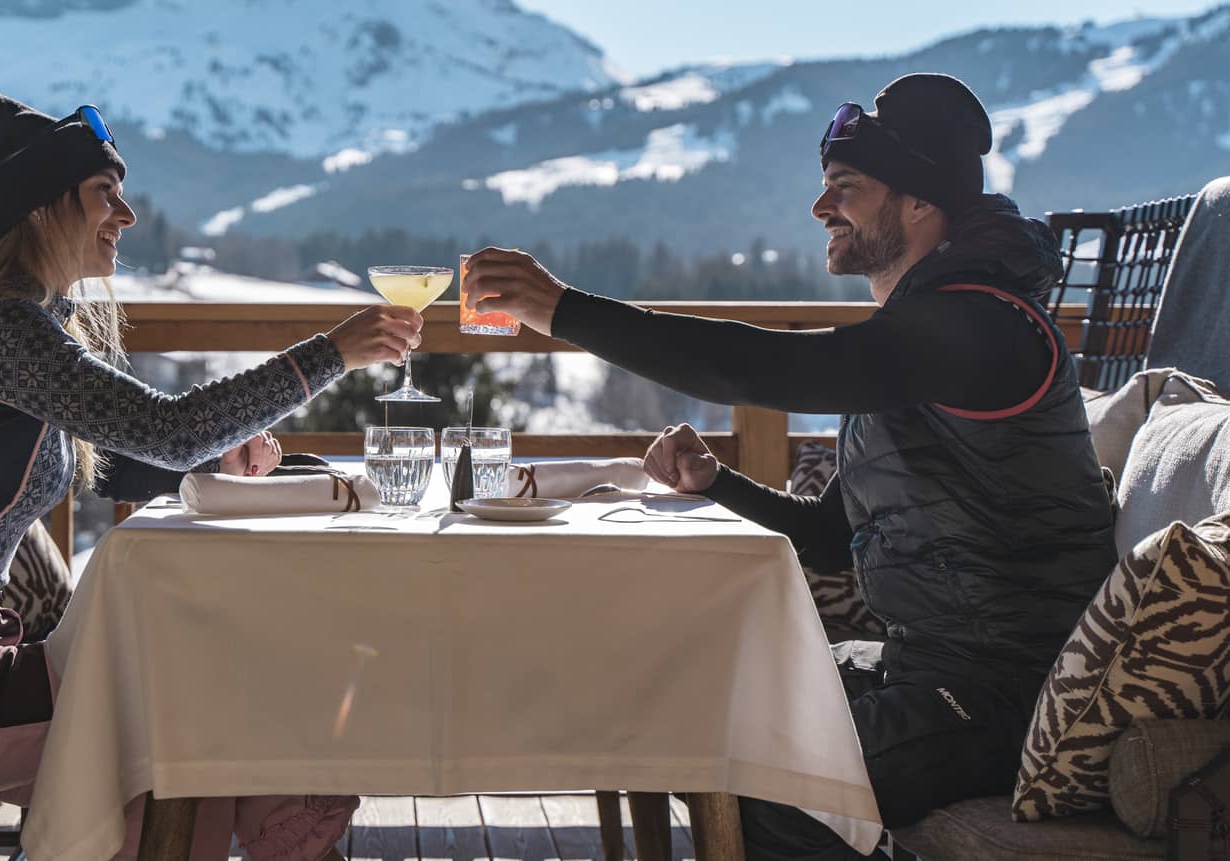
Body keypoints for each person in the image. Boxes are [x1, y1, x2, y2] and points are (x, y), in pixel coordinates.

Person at [463, 72, 1117, 858]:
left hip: (1005, 693)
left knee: (763, 776)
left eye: (845, 186)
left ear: (918, 202)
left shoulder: (982, 329)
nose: (819, 208)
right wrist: (718, 483)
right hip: (925, 667)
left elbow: (763, 369)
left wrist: (563, 310)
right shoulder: (918, 340)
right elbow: (833, 535)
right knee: (688, 695)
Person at [0, 92, 423, 861]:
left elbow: (132, 449)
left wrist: (216, 456)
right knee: (192, 720)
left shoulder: (19, 321)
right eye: (103, 193)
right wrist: (328, 355)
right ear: (44, 208)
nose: (128, 213)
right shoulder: (1, 328)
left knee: (211, 694)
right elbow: (165, 429)